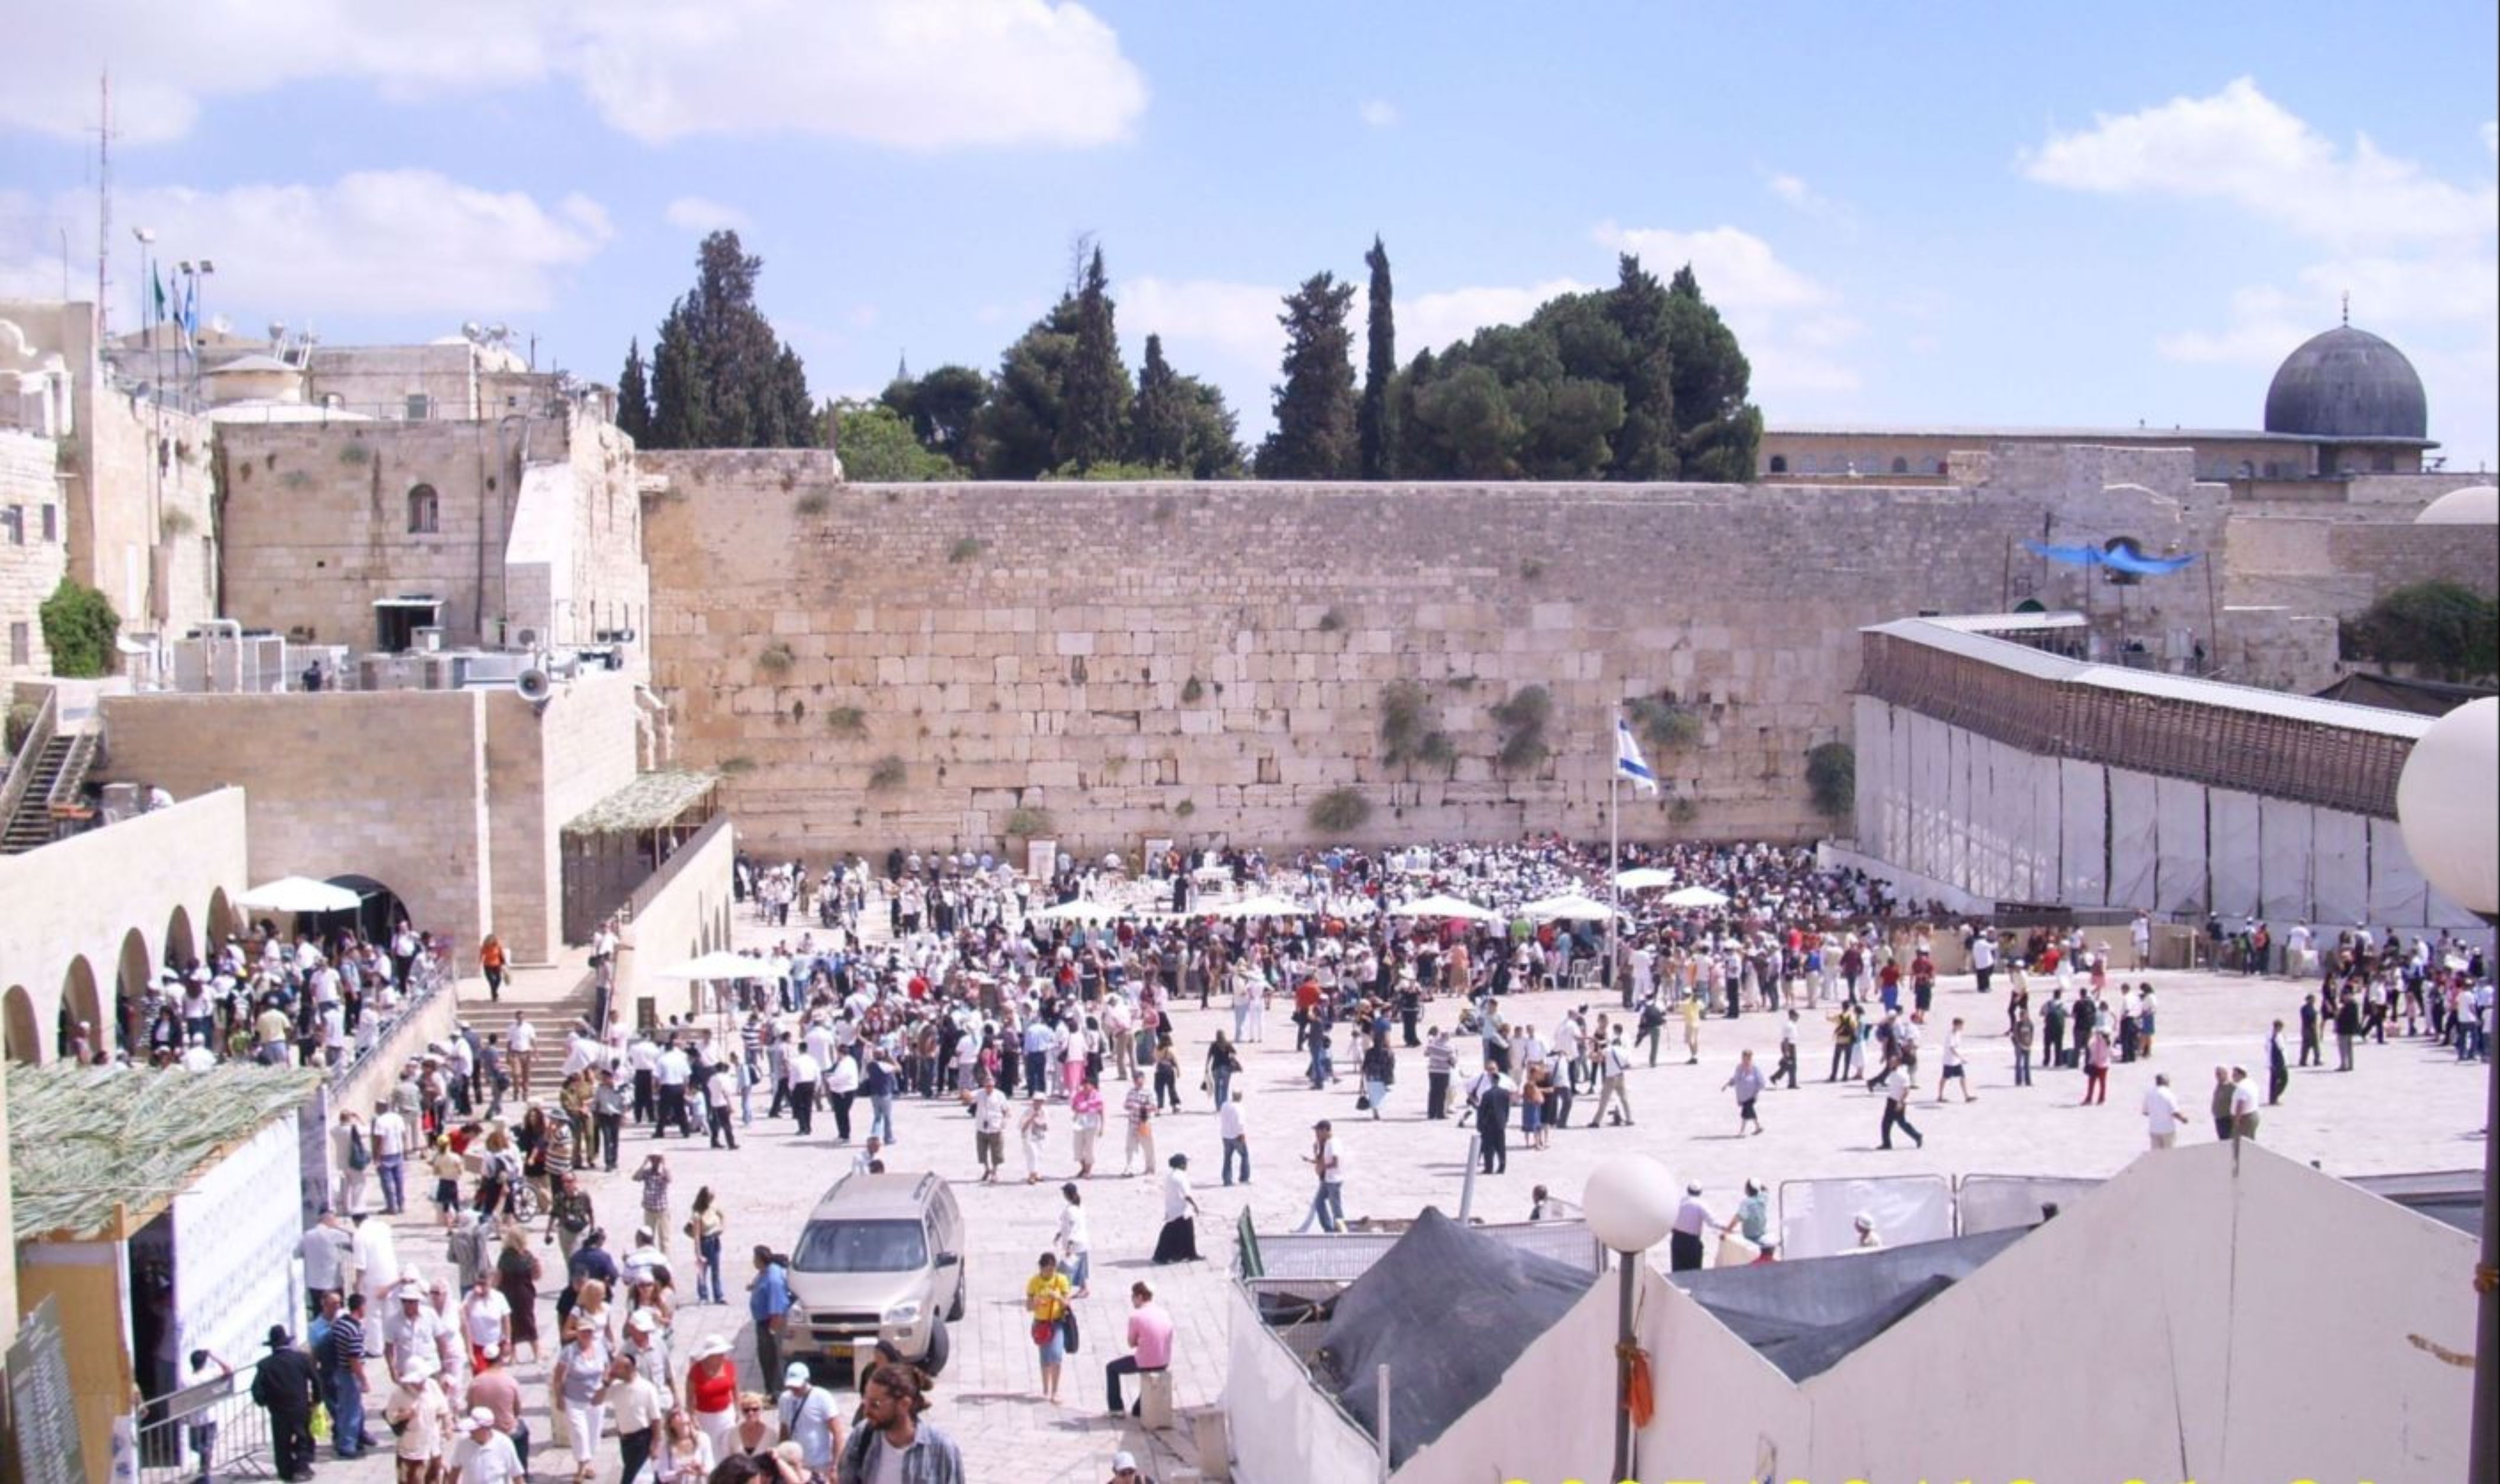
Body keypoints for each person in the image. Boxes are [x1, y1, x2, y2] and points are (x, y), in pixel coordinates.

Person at [836, 1362, 963, 1484]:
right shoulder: (862, 1436)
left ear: (904, 1404)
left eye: (875, 1404)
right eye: (865, 1402)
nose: (866, 1412)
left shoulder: (941, 1449)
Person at [1104, 1281, 1174, 1417]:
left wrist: (1140, 1341)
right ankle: (1140, 1407)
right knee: (1137, 1412)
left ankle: (1116, 1409)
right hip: (1164, 1361)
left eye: (1133, 1297)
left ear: (1140, 1297)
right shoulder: (1164, 1313)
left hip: (1144, 1362)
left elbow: (1131, 1343)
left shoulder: (1136, 1317)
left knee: (1111, 1368)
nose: (1132, 1300)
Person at [384, 1352, 453, 1484]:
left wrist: (448, 1426)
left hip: (432, 1444)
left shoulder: (432, 1385)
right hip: (412, 1446)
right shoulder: (399, 1394)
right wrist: (404, 1415)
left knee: (434, 1478)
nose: (421, 1383)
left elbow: (443, 1408)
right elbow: (390, 1417)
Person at [777, 1362, 843, 1474]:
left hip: (819, 1464)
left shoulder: (822, 1397)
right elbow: (784, 1429)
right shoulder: (784, 1399)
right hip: (795, 1464)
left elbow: (837, 1432)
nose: (794, 1388)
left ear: (806, 1380)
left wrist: (836, 1464)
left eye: (797, 1385)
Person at [1025, 1254, 1074, 1404]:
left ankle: (1055, 1391)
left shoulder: (1061, 1280)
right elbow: (1028, 1307)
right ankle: (1046, 1388)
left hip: (1056, 1322)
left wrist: (1058, 1297)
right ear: (1041, 1268)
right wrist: (1035, 1303)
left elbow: (1067, 1303)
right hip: (1040, 1324)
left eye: (1052, 1270)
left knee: (1056, 1355)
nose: (1050, 1273)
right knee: (1045, 1358)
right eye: (1047, 1270)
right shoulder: (1034, 1282)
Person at [685, 1335, 740, 1460]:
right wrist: (692, 1417)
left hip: (726, 1415)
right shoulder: (696, 1371)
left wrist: (737, 1409)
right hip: (705, 1417)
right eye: (719, 1354)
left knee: (727, 1446)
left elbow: (735, 1389)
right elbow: (689, 1397)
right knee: (710, 1448)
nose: (722, 1356)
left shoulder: (729, 1366)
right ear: (709, 1355)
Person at [748, 1246, 791, 1388]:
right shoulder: (765, 1272)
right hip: (764, 1321)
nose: (753, 1261)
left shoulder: (774, 1280)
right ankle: (771, 1388)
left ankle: (776, 1391)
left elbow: (777, 1308)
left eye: (755, 1258)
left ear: (761, 1260)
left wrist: (772, 1331)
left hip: (771, 1323)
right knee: (765, 1358)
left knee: (772, 1359)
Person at [449, 1406, 525, 1484]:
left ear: (486, 1429)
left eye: (474, 1430)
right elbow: (455, 1471)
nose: (471, 1432)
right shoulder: (463, 1442)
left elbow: (517, 1476)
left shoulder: (504, 1444)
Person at [1296, 1121, 1345, 1234]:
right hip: (1327, 1180)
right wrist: (1312, 1157)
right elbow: (1323, 1161)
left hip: (1334, 1180)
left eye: (1318, 1131)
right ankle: (1329, 1229)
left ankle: (1340, 1231)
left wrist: (1323, 1167)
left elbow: (1335, 1163)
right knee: (1319, 1203)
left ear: (1325, 1130)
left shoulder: (1333, 1143)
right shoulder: (1327, 1143)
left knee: (1336, 1207)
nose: (1317, 1134)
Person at [1152, 1154, 1200, 1263]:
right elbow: (1187, 1195)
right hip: (1181, 1210)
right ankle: (1163, 1256)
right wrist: (1195, 1205)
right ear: (1182, 1165)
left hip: (1173, 1208)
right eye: (1185, 1163)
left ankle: (1189, 1254)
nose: (1187, 1165)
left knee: (1184, 1232)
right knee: (1178, 1233)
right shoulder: (1181, 1177)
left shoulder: (1171, 1176)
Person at [1472, 1062, 1513, 1175]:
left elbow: (1482, 1111)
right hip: (1500, 1123)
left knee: (1489, 1146)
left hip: (1489, 1124)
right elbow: (1507, 1109)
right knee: (1501, 1146)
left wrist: (1480, 1124)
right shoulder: (1505, 1093)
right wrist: (1505, 1120)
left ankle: (1489, 1168)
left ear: (1491, 1081)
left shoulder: (1487, 1095)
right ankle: (1502, 1166)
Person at [689, 1187, 727, 1306]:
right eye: (710, 1197)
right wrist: (698, 1253)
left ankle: (718, 1295)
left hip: (715, 1240)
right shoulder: (697, 1213)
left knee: (716, 1270)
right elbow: (696, 1235)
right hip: (705, 1242)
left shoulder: (713, 1206)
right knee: (702, 1272)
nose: (712, 1198)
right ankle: (703, 1296)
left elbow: (722, 1215)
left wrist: (722, 1227)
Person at [1056, 1183, 1093, 1299]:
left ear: (1067, 1194)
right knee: (1080, 1268)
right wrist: (1060, 1233)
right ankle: (1084, 1289)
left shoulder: (1071, 1210)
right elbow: (1067, 1225)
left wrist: (1069, 1247)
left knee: (1065, 1269)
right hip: (1082, 1243)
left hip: (1075, 1245)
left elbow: (1073, 1228)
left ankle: (1063, 1293)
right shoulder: (1079, 1206)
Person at [1877, 1061, 1923, 1150]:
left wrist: (1900, 1102)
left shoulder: (1902, 1075)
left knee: (1898, 1123)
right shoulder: (1893, 1072)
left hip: (1897, 1102)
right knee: (1892, 1123)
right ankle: (1916, 1136)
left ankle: (1917, 1136)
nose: (1890, 1064)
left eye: (1892, 1063)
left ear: (1897, 1064)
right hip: (1891, 1100)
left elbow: (1906, 1091)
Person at [1722, 1049, 1766, 1135]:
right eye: (1743, 1058)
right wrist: (1727, 1084)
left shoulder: (1755, 1068)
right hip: (1743, 1095)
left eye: (1747, 1058)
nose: (1744, 1060)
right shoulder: (1739, 1067)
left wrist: (1757, 1091)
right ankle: (1758, 1127)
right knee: (1749, 1111)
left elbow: (1761, 1081)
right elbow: (1735, 1078)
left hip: (1752, 1095)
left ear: (1750, 1058)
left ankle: (1742, 1131)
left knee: (1746, 1112)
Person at [1668, 1185, 1712, 1271]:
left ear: (1688, 1190)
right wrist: (1728, 1228)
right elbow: (1712, 1222)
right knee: (1693, 1271)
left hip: (1677, 1239)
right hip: (1692, 1242)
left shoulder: (1679, 1202)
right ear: (1700, 1193)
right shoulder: (1700, 1205)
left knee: (1677, 1270)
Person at [2142, 1073, 2188, 1149]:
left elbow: (2145, 1112)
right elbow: (2175, 1112)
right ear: (2165, 1082)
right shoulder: (2169, 1094)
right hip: (2167, 1130)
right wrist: (2183, 1119)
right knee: (2169, 1153)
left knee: (2156, 1154)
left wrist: (2156, 1113)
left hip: (2154, 1130)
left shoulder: (2149, 1094)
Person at [1936, 1018, 1975, 1103]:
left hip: (1956, 1061)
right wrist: (1961, 1058)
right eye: (1961, 1025)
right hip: (1949, 1061)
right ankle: (1940, 1096)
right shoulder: (1950, 1035)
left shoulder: (1958, 1034)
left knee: (1963, 1077)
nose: (1962, 1027)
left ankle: (1967, 1096)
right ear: (1956, 1025)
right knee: (1945, 1078)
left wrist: (1960, 1057)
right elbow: (1952, 1049)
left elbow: (1957, 1047)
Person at [1218, 1088, 1251, 1186]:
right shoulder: (1239, 1108)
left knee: (1227, 1158)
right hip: (1236, 1136)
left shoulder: (1225, 1105)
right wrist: (1242, 1134)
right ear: (1241, 1096)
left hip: (1225, 1135)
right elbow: (1240, 1123)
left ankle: (1227, 1179)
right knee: (1245, 1155)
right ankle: (1244, 1178)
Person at [2229, 1065, 2261, 1141]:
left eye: (2235, 1075)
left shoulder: (2242, 1087)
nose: (2232, 1077)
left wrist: (2237, 1121)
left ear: (2241, 1075)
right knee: (2249, 1140)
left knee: (2243, 1142)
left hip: (2245, 1118)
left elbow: (2240, 1104)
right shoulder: (2251, 1083)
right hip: (2253, 1114)